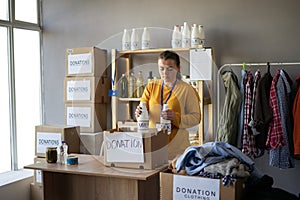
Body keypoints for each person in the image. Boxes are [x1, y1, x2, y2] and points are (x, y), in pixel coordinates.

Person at [135, 50, 201, 159]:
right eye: (161, 68)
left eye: (170, 68)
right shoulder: (151, 86)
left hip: (177, 151)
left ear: (178, 68)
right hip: (152, 148)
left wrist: (176, 117)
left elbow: (196, 118)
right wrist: (139, 114)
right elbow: (142, 114)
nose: (165, 72)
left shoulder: (187, 90)